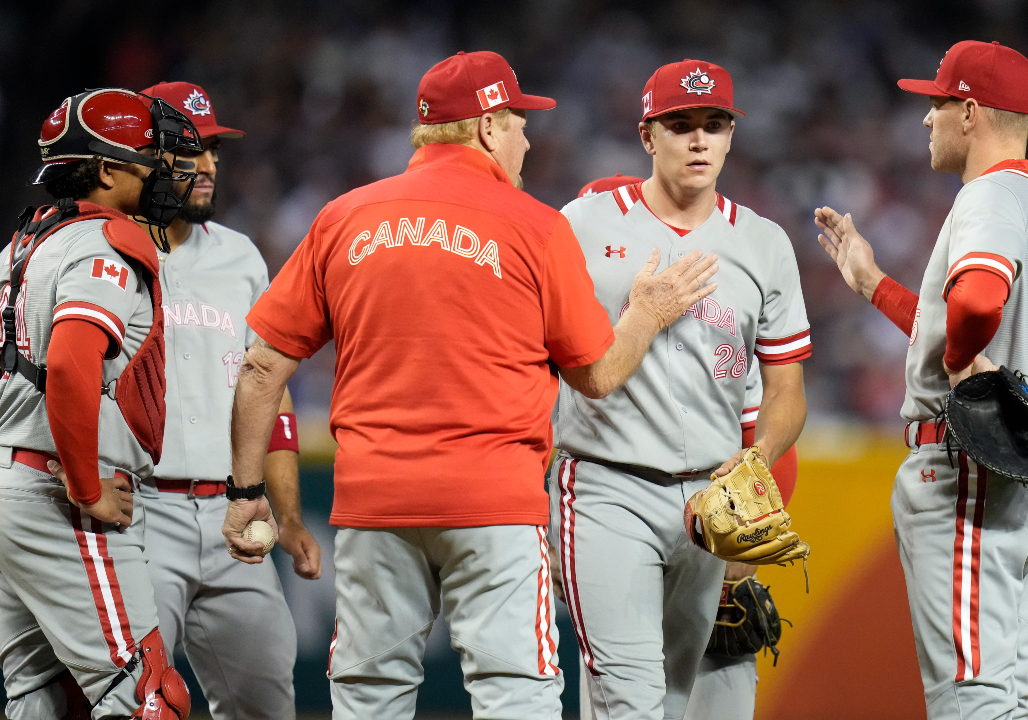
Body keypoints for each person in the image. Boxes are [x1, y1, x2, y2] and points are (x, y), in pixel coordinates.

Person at [220, 50, 718, 720]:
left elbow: (260, 369)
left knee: (369, 695)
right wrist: (648, 314)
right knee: (517, 695)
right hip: (495, 505)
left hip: (376, 503)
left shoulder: (343, 218)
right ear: (486, 127)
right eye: (517, 122)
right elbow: (597, 375)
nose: (527, 137)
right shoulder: (537, 225)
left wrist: (247, 492)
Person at [813, 40, 1028, 718]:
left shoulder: (990, 193)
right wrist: (873, 284)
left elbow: (974, 306)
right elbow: (952, 328)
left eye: (936, 104)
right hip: (1022, 479)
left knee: (971, 695)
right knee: (1000, 690)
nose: (926, 119)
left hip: (969, 474)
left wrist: (966, 360)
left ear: (971, 112)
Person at [554, 59, 811, 720]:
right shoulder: (581, 226)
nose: (699, 139)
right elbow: (534, 366)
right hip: (606, 485)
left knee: (677, 698)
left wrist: (759, 457)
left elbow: (786, 391)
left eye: (714, 124)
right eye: (680, 124)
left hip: (709, 501)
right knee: (628, 697)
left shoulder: (763, 243)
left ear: (731, 136)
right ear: (648, 136)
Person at [0, 89, 200, 719]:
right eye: (148, 155)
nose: (163, 169)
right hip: (59, 493)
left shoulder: (20, 247)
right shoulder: (102, 244)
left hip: (11, 484)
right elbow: (68, 362)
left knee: (39, 697)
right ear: (107, 169)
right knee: (147, 698)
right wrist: (85, 488)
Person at [134, 80, 318, 720]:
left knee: (268, 697)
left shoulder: (239, 256)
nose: (210, 165)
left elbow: (272, 392)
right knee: (138, 703)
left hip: (233, 515)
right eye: (193, 149)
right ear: (146, 154)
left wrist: (288, 514)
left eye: (215, 149)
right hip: (140, 514)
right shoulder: (92, 249)